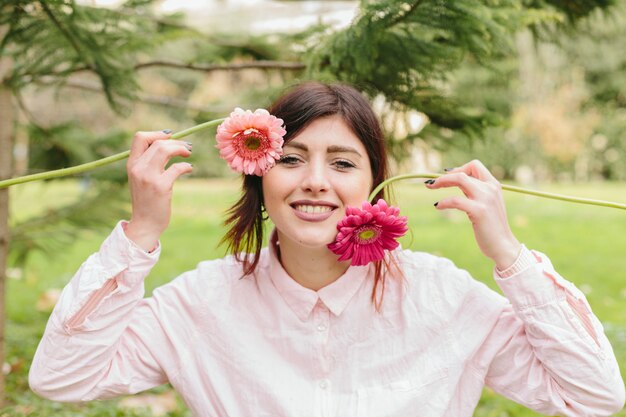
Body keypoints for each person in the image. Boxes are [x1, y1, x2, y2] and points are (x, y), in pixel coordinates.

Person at [29, 82, 624, 417]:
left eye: (342, 163)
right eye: (291, 159)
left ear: (372, 184)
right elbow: (61, 378)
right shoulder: (200, 304)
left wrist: (510, 256)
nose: (315, 180)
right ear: (258, 176)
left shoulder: (443, 299)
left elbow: (594, 396)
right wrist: (141, 233)